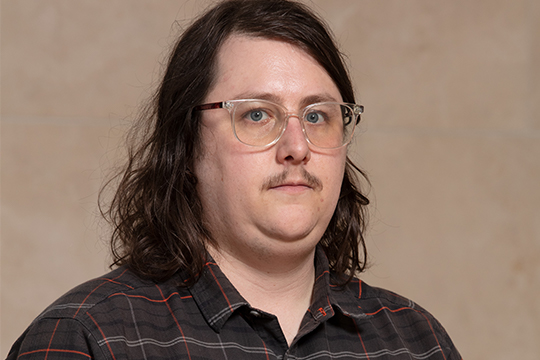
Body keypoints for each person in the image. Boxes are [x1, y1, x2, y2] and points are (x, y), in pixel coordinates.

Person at [7, 1, 461, 359]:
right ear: (185, 147)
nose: (297, 146)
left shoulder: (416, 343)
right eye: (257, 114)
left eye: (318, 115)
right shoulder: (89, 338)